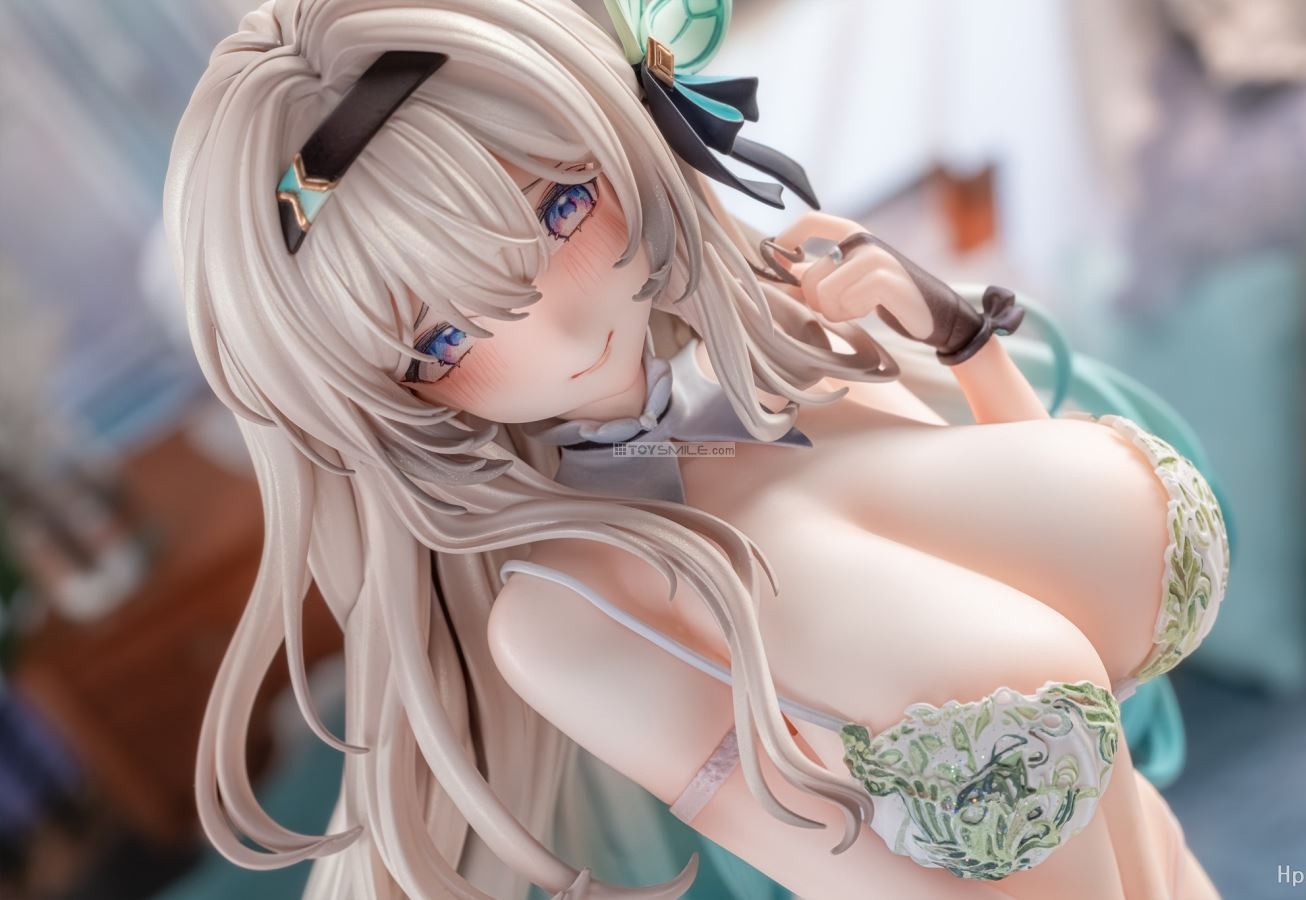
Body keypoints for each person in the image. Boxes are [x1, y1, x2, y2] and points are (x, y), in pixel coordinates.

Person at [164, 1, 1227, 896]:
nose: (553, 328)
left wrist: (958, 339)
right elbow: (839, 867)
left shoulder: (792, 354)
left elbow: (1043, 561)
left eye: (561, 210)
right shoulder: (566, 610)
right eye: (442, 339)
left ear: (627, 140)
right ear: (386, 393)